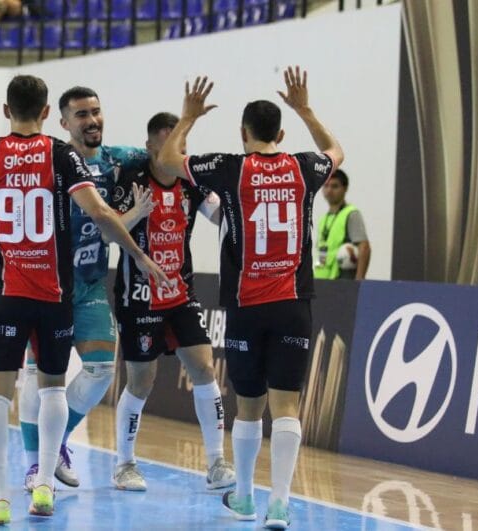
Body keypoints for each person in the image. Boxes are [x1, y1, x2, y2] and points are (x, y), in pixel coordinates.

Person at [0, 75, 167, 525]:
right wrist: (140, 255)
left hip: (5, 292)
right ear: (49, 113)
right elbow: (101, 213)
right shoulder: (61, 153)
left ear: (6, 111)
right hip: (54, 293)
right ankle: (44, 485)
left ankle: (0, 496)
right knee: (51, 389)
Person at [156, 68, 344, 530]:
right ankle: (278, 504)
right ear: (280, 133)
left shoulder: (230, 168)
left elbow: (166, 159)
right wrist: (306, 109)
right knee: (287, 408)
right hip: (292, 304)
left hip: (245, 307)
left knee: (249, 407)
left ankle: (243, 497)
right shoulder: (305, 167)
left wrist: (188, 118)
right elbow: (336, 152)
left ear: (243, 133)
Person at [108, 112, 236, 492]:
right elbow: (109, 230)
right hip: (139, 296)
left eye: (181, 145)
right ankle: (124, 464)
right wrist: (137, 213)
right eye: (167, 145)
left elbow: (221, 217)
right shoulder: (130, 180)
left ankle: (216, 464)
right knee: (141, 382)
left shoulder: (190, 182)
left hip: (181, 293)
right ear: (150, 148)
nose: (176, 152)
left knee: (204, 369)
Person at [313, 169, 370, 280]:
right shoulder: (324, 219)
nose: (329, 190)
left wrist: (358, 281)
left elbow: (364, 247)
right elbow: (322, 253)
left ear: (345, 189)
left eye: (334, 186)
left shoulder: (351, 214)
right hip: (321, 281)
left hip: (342, 281)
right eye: (326, 186)